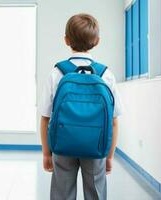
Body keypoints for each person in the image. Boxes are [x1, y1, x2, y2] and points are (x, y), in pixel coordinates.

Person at [39, 13, 123, 200]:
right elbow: (114, 122)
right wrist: (109, 156)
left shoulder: (56, 72)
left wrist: (47, 153)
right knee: (96, 194)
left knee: (62, 193)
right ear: (97, 41)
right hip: (95, 147)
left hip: (62, 145)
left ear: (66, 40)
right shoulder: (106, 74)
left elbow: (45, 118)